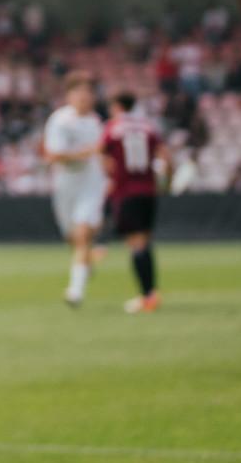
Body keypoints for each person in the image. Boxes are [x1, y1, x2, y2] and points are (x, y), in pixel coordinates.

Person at [100, 92, 169, 314]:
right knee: (145, 241)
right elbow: (166, 157)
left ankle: (147, 296)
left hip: (126, 192)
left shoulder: (113, 128)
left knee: (136, 244)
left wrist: (110, 178)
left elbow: (102, 156)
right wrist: (165, 182)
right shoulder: (148, 126)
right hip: (148, 191)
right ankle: (151, 292)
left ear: (117, 106)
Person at [41, 74, 105, 308]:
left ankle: (75, 291)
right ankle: (85, 263)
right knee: (72, 237)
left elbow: (103, 155)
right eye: (79, 92)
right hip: (66, 186)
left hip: (91, 184)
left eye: (88, 93)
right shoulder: (59, 121)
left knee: (82, 234)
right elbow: (54, 155)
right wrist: (87, 152)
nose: (84, 97)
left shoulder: (97, 122)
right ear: (69, 96)